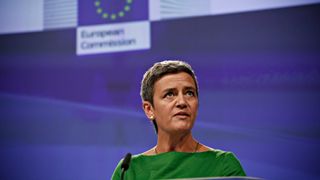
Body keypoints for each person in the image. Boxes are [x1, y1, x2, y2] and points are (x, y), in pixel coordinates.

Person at [112, 60, 246, 179]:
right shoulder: (129, 171)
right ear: (149, 109)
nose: (182, 102)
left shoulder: (223, 165)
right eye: (169, 94)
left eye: (189, 93)